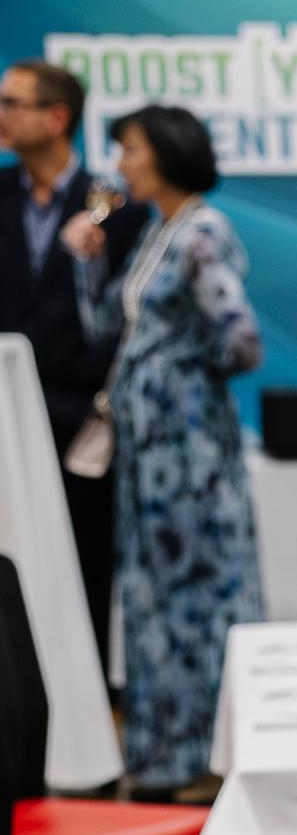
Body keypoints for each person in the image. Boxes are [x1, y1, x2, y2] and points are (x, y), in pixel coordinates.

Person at [58, 106, 261, 799]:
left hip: (191, 453)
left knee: (201, 597)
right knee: (156, 599)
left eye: (132, 149)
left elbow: (239, 339)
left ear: (168, 154)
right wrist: (86, 265)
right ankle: (167, 756)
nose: (122, 164)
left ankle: (211, 756)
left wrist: (173, 379)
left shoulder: (203, 232)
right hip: (148, 456)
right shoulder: (158, 232)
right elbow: (109, 330)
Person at [0, 58, 149, 647]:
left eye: (13, 103)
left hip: (82, 422)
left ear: (57, 117)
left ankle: (86, 717)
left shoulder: (118, 208)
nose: (2, 115)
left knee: (85, 568)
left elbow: (123, 322)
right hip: (1, 415)